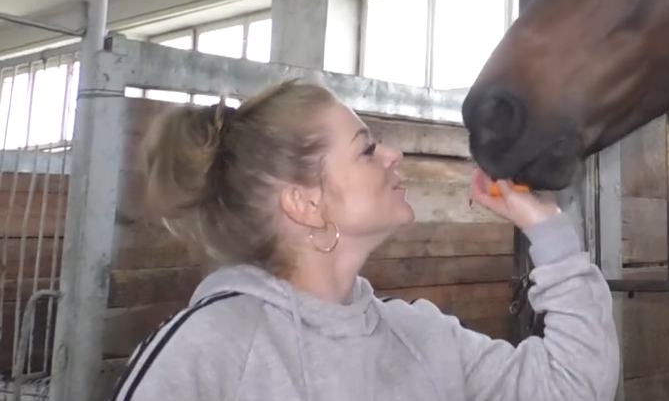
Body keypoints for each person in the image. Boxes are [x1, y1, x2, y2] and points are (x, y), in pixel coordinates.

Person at [110, 78, 620, 401]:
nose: (392, 154)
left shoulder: (419, 337)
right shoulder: (210, 346)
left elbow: (572, 386)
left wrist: (546, 229)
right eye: (366, 148)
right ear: (305, 202)